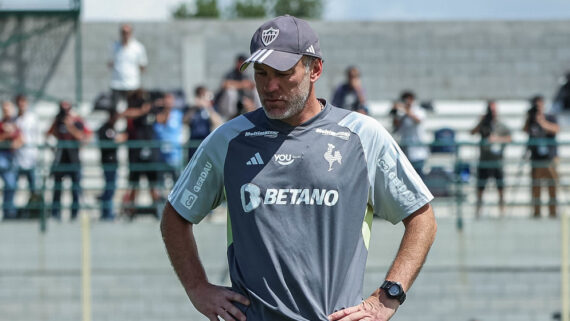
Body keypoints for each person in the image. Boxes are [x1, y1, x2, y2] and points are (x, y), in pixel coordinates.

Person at [161, 15, 437, 321]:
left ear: (315, 69)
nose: (270, 85)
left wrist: (388, 297)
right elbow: (175, 216)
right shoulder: (229, 139)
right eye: (261, 73)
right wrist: (197, 287)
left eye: (283, 73)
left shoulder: (361, 135)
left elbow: (422, 218)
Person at [46, 101, 91, 220]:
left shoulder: (77, 121)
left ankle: (74, 214)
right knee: (57, 188)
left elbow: (84, 137)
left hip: (73, 159)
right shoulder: (58, 121)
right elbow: (49, 134)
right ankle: (55, 214)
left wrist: (70, 126)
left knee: (75, 188)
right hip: (61, 159)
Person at [121, 89, 160, 218]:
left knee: (153, 183)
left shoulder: (152, 109)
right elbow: (126, 114)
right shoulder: (136, 109)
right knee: (134, 183)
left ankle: (157, 209)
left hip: (150, 151)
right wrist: (142, 111)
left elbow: (162, 118)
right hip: (136, 152)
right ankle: (131, 210)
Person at [470, 100, 512, 218]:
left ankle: (502, 211)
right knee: (480, 188)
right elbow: (472, 132)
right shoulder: (483, 124)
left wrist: (497, 139)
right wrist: (480, 122)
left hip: (497, 161)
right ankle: (478, 211)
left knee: (500, 188)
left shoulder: (501, 125)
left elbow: (509, 138)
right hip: (484, 161)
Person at [523, 95, 560, 218]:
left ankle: (553, 213)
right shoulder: (531, 119)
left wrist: (542, 122)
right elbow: (524, 130)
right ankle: (536, 213)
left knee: (552, 186)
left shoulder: (550, 117)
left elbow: (555, 129)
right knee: (536, 187)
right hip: (536, 159)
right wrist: (530, 118)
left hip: (549, 159)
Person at [108, 23, 148, 112]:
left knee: (133, 111)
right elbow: (110, 63)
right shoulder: (114, 46)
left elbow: (142, 66)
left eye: (127, 32)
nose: (125, 34)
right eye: (123, 32)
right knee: (117, 111)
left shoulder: (138, 47)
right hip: (117, 84)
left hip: (132, 85)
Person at [391, 90, 429, 178]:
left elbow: (418, 120)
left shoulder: (419, 110)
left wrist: (406, 110)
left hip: (419, 152)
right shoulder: (401, 113)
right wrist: (395, 113)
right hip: (405, 153)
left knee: (419, 180)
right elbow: (396, 127)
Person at [97, 110, 124, 220]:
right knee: (109, 187)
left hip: (113, 162)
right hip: (107, 162)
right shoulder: (104, 129)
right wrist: (117, 140)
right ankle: (106, 213)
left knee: (111, 187)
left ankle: (107, 211)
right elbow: (107, 142)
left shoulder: (113, 128)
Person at [184, 85, 223, 161]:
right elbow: (185, 121)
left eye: (203, 95)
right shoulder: (191, 109)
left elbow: (217, 122)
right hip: (193, 143)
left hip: (206, 142)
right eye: (199, 95)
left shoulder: (211, 108)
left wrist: (207, 107)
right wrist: (195, 107)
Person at [214, 54, 259, 120]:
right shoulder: (230, 73)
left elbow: (250, 87)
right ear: (237, 62)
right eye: (241, 62)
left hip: (241, 102)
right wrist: (242, 85)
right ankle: (230, 117)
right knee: (231, 91)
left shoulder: (246, 75)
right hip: (224, 105)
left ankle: (260, 111)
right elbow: (224, 84)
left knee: (255, 90)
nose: (242, 64)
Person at [14, 94, 40, 201]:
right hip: (16, 157)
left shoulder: (32, 118)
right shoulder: (15, 119)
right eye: (19, 102)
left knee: (34, 187)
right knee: (12, 186)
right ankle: (11, 213)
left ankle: (34, 211)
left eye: (23, 102)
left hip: (31, 157)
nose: (21, 104)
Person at [154, 92, 184, 181]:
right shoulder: (158, 114)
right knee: (161, 181)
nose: (168, 102)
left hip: (175, 154)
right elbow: (161, 121)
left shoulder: (178, 114)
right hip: (161, 154)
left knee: (177, 181)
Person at [0, 101, 23, 219]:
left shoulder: (15, 124)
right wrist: (6, 135)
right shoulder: (1, 124)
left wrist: (15, 143)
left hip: (11, 158)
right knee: (10, 183)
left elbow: (21, 139)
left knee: (11, 185)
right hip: (2, 158)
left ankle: (9, 212)